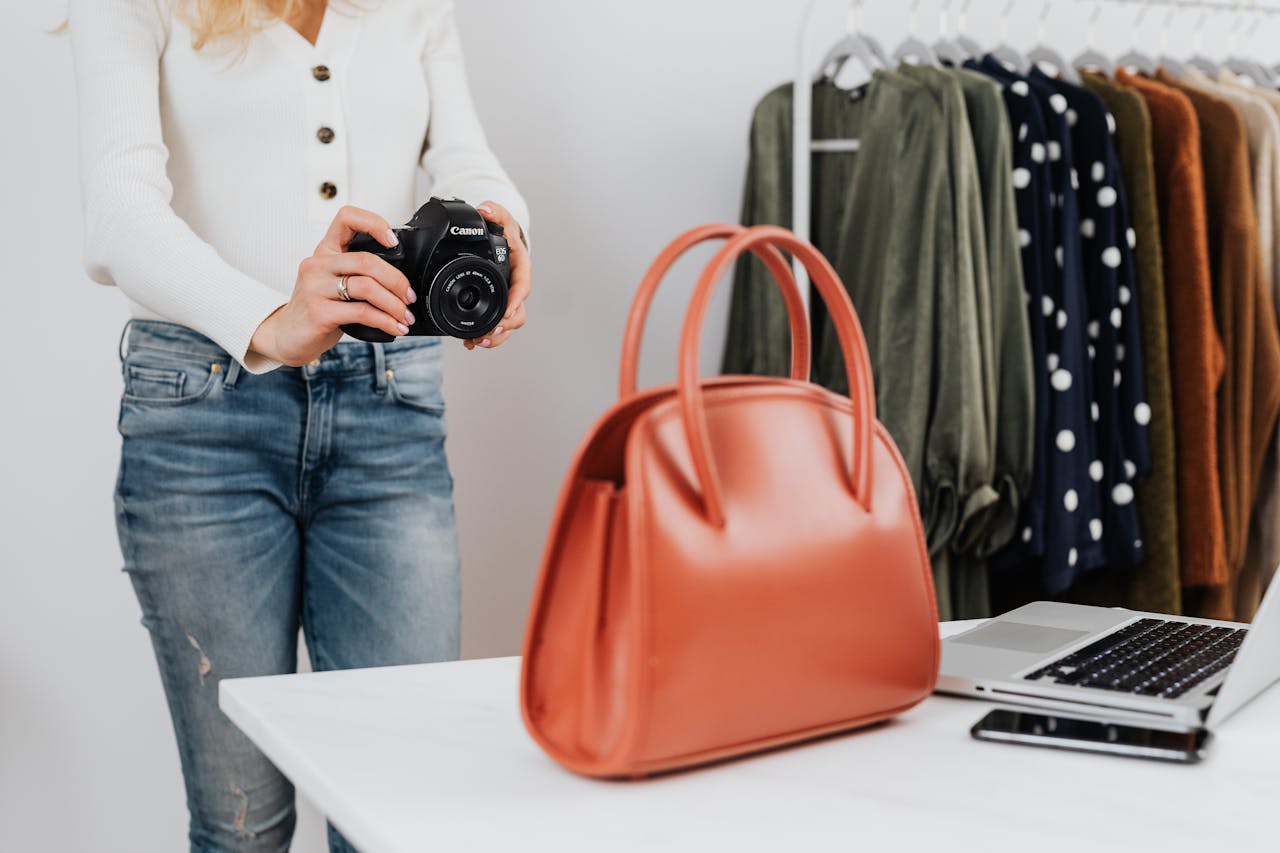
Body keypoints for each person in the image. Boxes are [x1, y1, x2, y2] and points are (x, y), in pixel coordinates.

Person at [66, 0, 531, 849]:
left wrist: (506, 229)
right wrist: (271, 319)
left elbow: (465, 157)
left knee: (397, 819)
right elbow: (120, 211)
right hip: (202, 420)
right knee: (242, 826)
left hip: (389, 407)